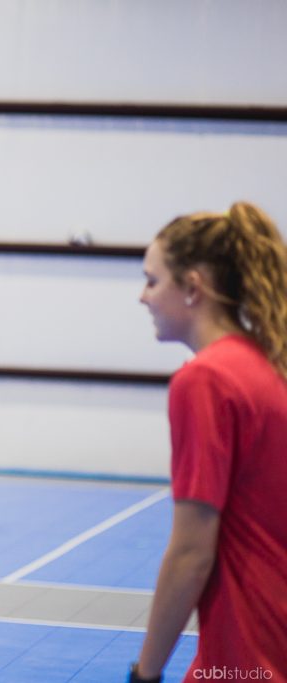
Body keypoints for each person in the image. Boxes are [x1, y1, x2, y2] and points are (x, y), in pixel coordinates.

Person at [131, 202, 287, 682]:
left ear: (192, 288)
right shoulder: (266, 364)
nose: (143, 297)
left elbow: (191, 553)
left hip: (246, 657)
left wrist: (146, 673)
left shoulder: (206, 381)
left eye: (152, 281)